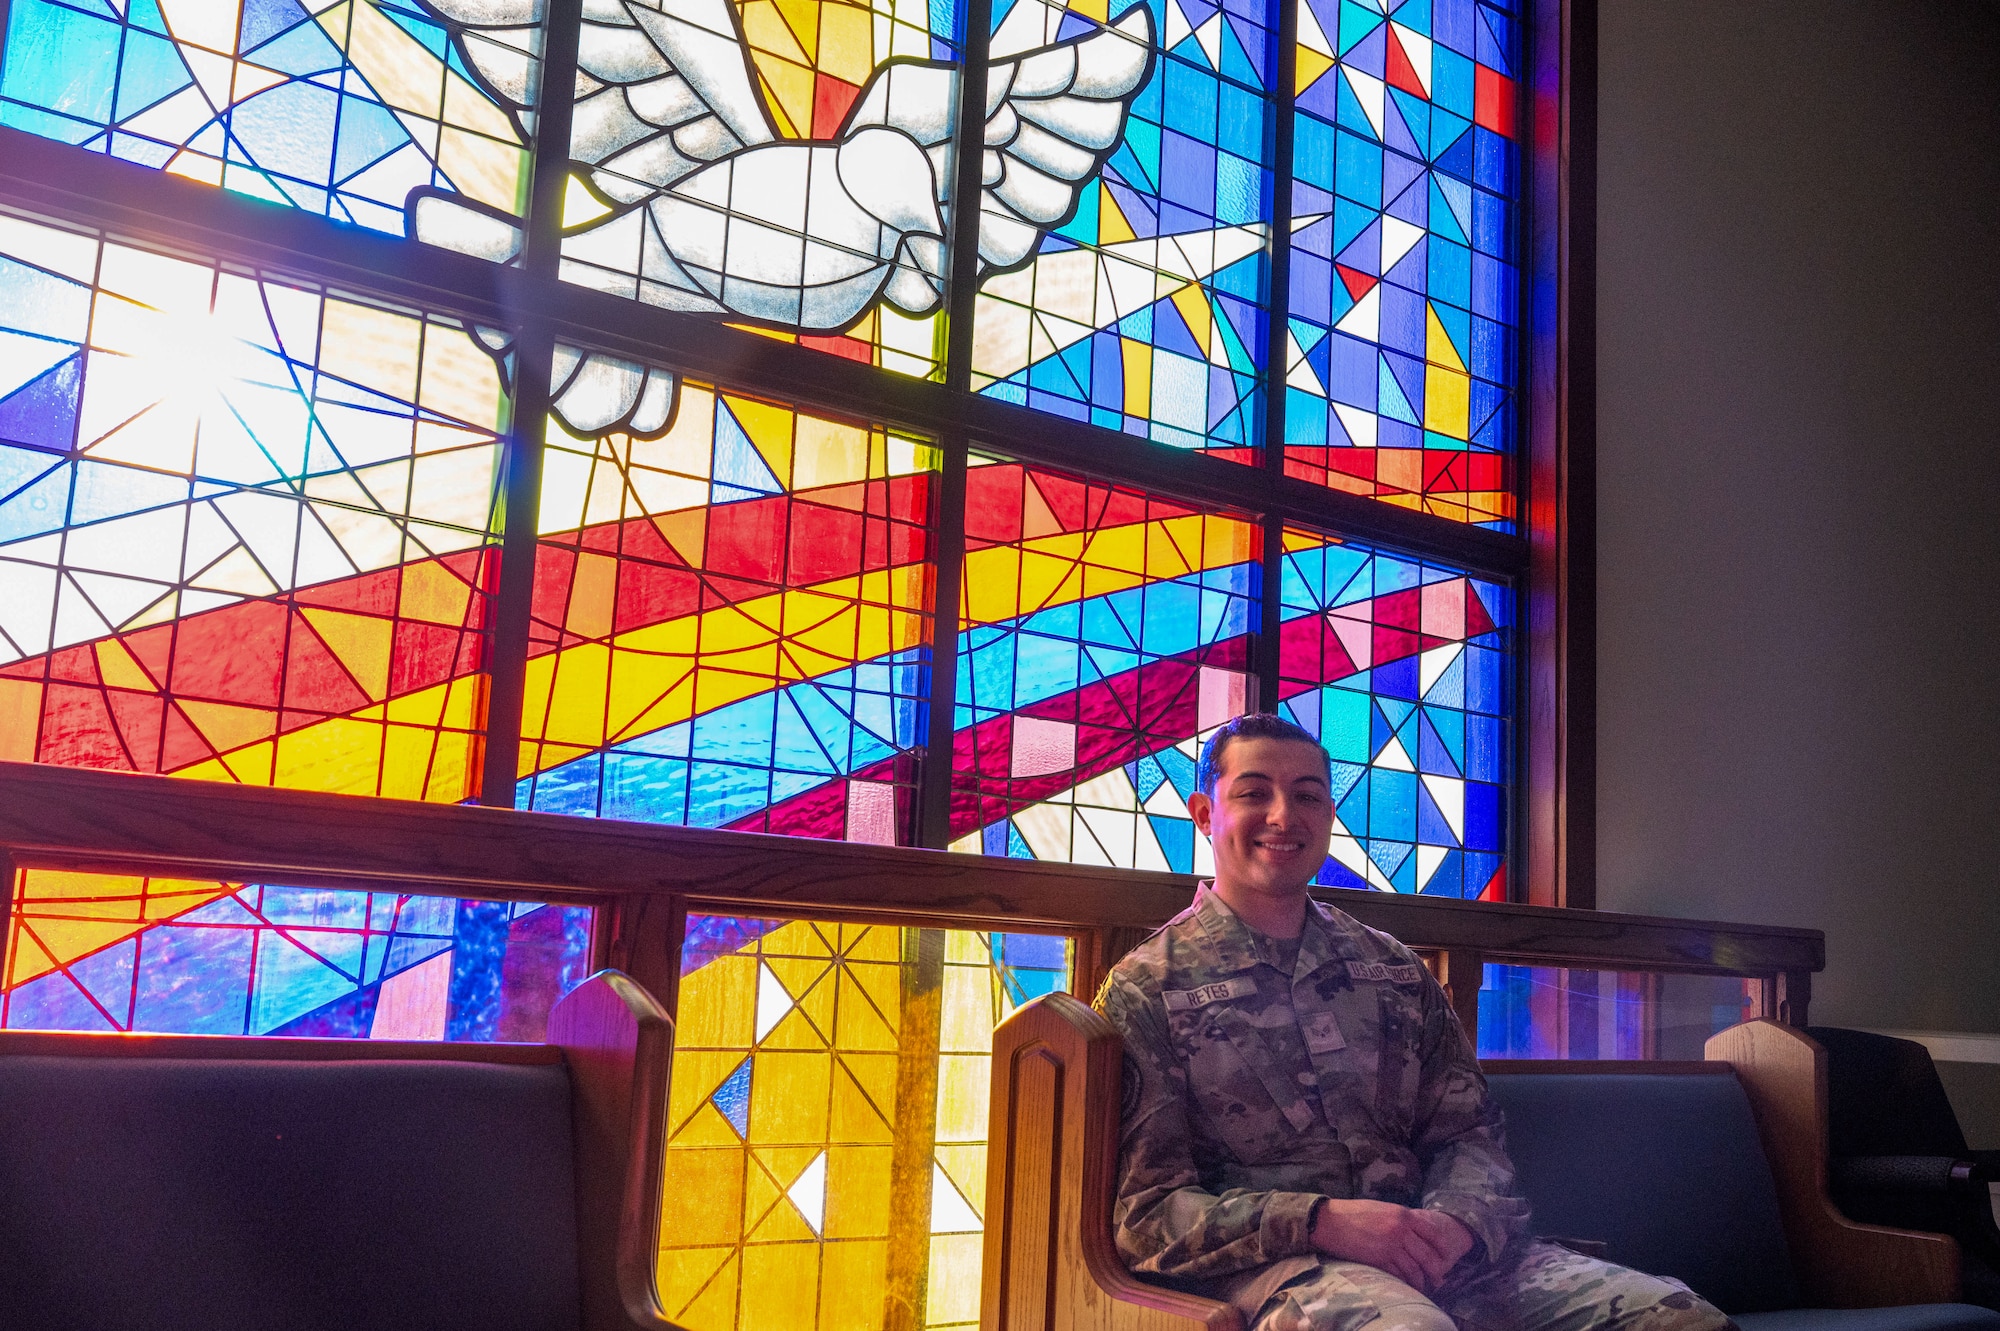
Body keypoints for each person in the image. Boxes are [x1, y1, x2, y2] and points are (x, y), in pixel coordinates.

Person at [1094, 713, 1733, 1331]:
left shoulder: (1392, 970)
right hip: (1287, 1270)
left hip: (1446, 1255)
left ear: (1329, 816)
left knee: (1677, 1318)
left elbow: (1470, 1136)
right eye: (1254, 793)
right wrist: (1320, 1220)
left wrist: (1454, 1225)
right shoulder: (1149, 989)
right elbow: (1146, 1215)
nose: (1284, 816)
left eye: (1308, 795)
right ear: (1206, 814)